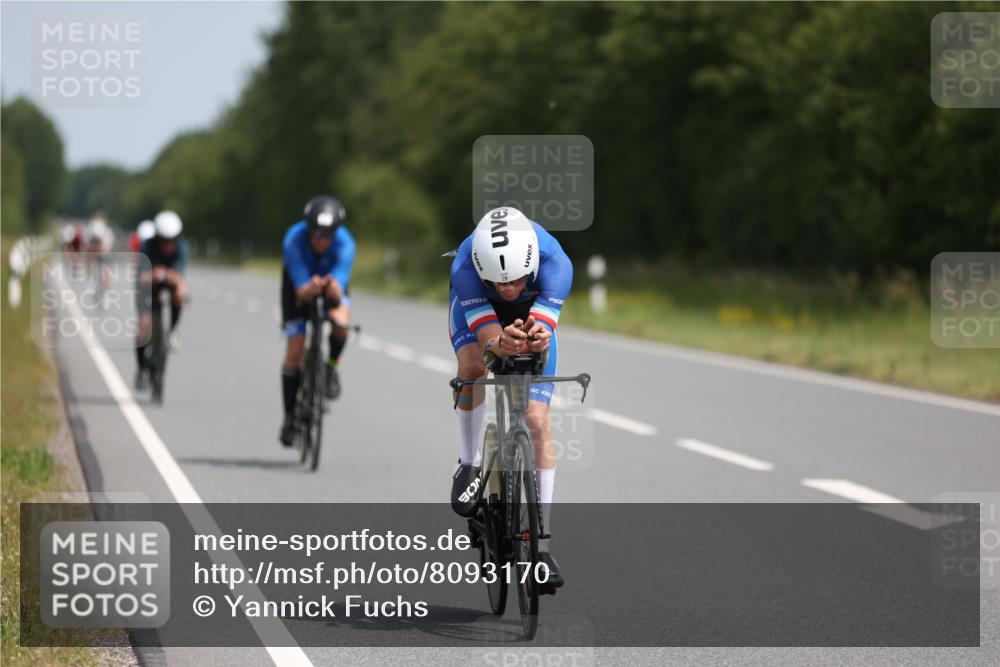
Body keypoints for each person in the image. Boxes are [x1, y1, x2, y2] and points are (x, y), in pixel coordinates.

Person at [447, 206, 573, 589]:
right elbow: (487, 340)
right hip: (476, 313)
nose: (507, 289)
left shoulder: (556, 263)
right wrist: (497, 342)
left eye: (515, 280)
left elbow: (544, 330)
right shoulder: (466, 268)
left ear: (532, 264)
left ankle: (544, 545)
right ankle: (469, 463)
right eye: (498, 282)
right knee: (472, 368)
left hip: (530, 314)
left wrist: (537, 336)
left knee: (536, 418)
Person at [278, 195, 356, 447]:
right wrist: (309, 288)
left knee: (341, 324)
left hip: (330, 284)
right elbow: (300, 290)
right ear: (308, 229)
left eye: (327, 236)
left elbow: (340, 284)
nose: (321, 241)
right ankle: (290, 417)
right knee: (295, 348)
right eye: (316, 235)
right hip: (298, 287)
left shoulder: (346, 243)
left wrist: (333, 289)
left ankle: (331, 367)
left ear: (335, 233)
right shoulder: (293, 239)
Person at [134, 211, 189, 390]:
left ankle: (171, 329)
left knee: (181, 293)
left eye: (172, 240)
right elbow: (141, 276)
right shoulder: (147, 246)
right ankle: (141, 368)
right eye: (164, 240)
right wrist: (153, 275)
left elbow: (180, 278)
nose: (168, 245)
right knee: (143, 325)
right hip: (148, 285)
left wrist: (168, 276)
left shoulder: (182, 248)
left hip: (169, 283)